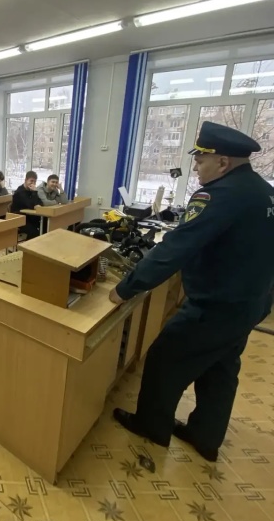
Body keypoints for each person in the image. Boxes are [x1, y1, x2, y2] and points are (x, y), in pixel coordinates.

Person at [110, 122, 274, 462]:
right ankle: (205, 437)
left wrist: (126, 288)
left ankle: (151, 427)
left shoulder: (220, 194)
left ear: (223, 162)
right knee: (221, 369)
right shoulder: (264, 191)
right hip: (251, 303)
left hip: (215, 305)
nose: (196, 167)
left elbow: (176, 248)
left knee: (163, 359)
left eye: (200, 160)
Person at [11, 171, 42, 239]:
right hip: (18, 218)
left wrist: (37, 204)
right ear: (25, 180)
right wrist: (34, 192)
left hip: (29, 218)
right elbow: (30, 205)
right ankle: (27, 247)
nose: (33, 183)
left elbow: (40, 202)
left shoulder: (30, 191)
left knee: (45, 225)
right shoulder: (19, 192)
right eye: (31, 181)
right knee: (34, 232)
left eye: (34, 182)